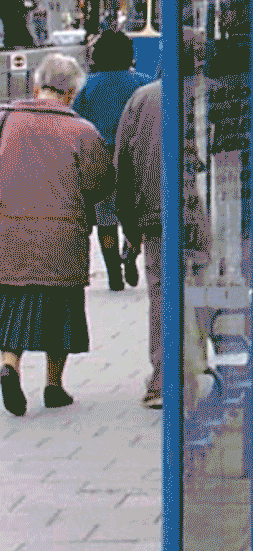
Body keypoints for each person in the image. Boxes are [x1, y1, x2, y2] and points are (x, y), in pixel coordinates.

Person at [0, 54, 112, 415]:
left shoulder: (6, 123)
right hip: (63, 235)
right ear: (71, 92)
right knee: (62, 308)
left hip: (11, 232)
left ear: (37, 86)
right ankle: (53, 385)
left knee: (15, 301)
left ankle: (9, 364)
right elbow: (100, 182)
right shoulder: (82, 130)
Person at [71, 30, 150, 290]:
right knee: (136, 215)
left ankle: (113, 271)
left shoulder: (86, 87)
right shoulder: (143, 84)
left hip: (101, 161)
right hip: (135, 159)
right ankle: (131, 254)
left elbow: (76, 125)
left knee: (106, 220)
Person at [114, 80, 164, 408]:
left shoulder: (144, 98)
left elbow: (125, 165)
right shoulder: (231, 87)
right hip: (229, 212)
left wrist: (130, 227)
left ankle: (164, 380)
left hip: (162, 216)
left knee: (165, 295)